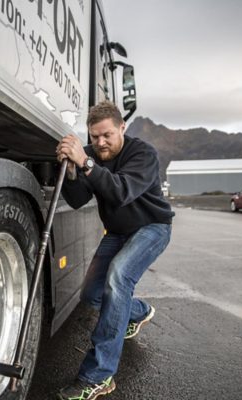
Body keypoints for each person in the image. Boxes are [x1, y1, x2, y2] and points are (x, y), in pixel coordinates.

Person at [55, 100, 174, 400]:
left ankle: (98, 376)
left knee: (118, 278)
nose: (100, 142)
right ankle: (139, 312)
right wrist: (71, 171)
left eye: (107, 135)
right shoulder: (93, 155)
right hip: (119, 232)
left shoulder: (143, 154)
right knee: (91, 294)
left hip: (152, 227)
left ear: (122, 127)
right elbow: (79, 197)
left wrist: (85, 163)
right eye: (94, 137)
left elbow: (121, 191)